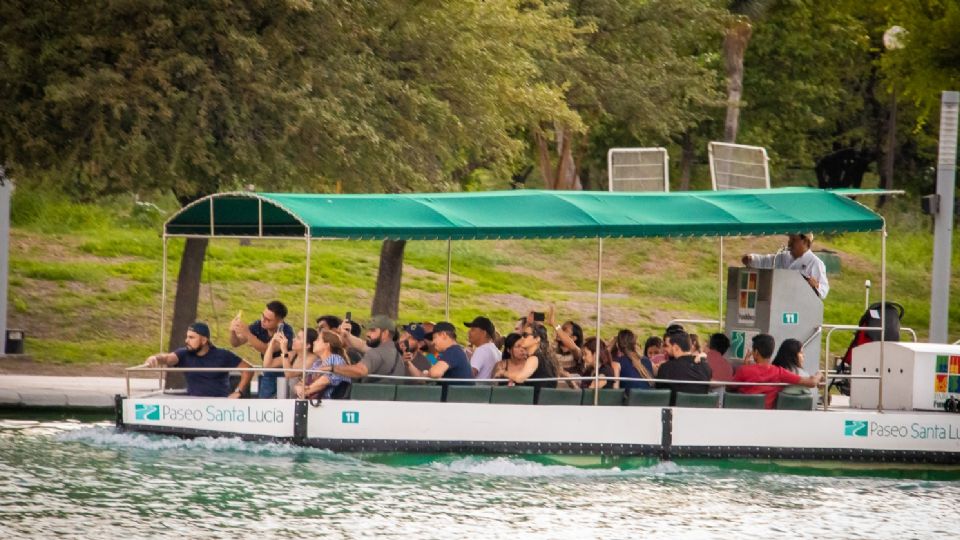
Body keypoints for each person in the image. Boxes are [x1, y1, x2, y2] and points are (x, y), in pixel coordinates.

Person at [145, 322, 252, 398]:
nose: (186, 341)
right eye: (187, 337)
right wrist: (155, 358)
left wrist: (238, 392)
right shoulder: (184, 353)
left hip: (220, 407)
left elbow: (248, 369)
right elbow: (168, 358)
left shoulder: (222, 354)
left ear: (204, 340)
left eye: (191, 338)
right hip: (194, 407)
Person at [733, 334, 822, 409]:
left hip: (743, 412)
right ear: (771, 352)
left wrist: (745, 367)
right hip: (766, 416)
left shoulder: (743, 370)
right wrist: (819, 374)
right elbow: (812, 382)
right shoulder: (779, 372)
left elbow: (729, 388)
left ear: (756, 352)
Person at [229, 300, 294, 398]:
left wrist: (247, 334)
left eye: (268, 320)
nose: (263, 320)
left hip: (284, 372)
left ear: (280, 321)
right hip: (268, 370)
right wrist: (232, 331)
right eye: (262, 316)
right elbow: (236, 343)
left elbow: (267, 349)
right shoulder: (258, 325)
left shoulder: (286, 331)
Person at [742, 233, 829, 299]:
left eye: (793, 240)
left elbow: (824, 291)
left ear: (805, 242)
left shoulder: (815, 263)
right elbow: (764, 261)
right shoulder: (782, 257)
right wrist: (751, 259)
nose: (789, 243)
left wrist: (816, 285)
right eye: (790, 239)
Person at [327, 315, 407, 383]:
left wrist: (332, 368)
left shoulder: (376, 353)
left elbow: (360, 370)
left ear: (385, 333)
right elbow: (362, 345)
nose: (367, 334)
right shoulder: (395, 352)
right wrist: (347, 335)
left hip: (370, 398)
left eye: (372, 330)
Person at [496, 324, 558, 399]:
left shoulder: (534, 358)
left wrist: (503, 372)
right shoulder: (546, 357)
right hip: (546, 401)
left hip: (536, 404)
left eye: (525, 335)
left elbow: (519, 378)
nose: (522, 338)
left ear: (537, 339)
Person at [655, 330, 713, 405]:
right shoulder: (705, 366)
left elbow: (660, 395)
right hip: (700, 412)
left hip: (675, 413)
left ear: (676, 347)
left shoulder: (666, 368)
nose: (664, 349)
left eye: (666, 345)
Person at [296, 330, 350, 399]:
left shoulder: (336, 359)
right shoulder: (317, 363)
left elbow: (325, 381)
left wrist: (305, 391)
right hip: (315, 402)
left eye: (318, 340)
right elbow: (304, 380)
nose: (314, 342)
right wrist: (298, 387)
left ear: (327, 345)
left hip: (330, 403)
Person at [266, 327, 318, 397]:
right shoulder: (293, 354)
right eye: (295, 337)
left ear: (307, 345)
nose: (294, 339)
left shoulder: (312, 359)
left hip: (303, 398)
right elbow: (268, 365)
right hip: (290, 396)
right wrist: (272, 343)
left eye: (298, 338)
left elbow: (289, 374)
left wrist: (284, 349)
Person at [423, 322, 474, 388]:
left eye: (434, 337)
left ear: (444, 335)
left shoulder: (453, 351)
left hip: (456, 397)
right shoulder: (456, 350)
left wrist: (427, 374)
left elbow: (435, 373)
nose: (433, 342)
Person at [772, 338, 817, 402]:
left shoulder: (774, 369)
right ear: (792, 355)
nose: (804, 355)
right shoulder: (797, 372)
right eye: (801, 353)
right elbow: (812, 383)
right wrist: (819, 374)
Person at [464, 316, 499, 383]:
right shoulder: (496, 350)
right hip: (487, 391)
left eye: (473, 329)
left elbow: (469, 376)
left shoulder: (481, 350)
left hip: (476, 391)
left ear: (483, 333)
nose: (469, 332)